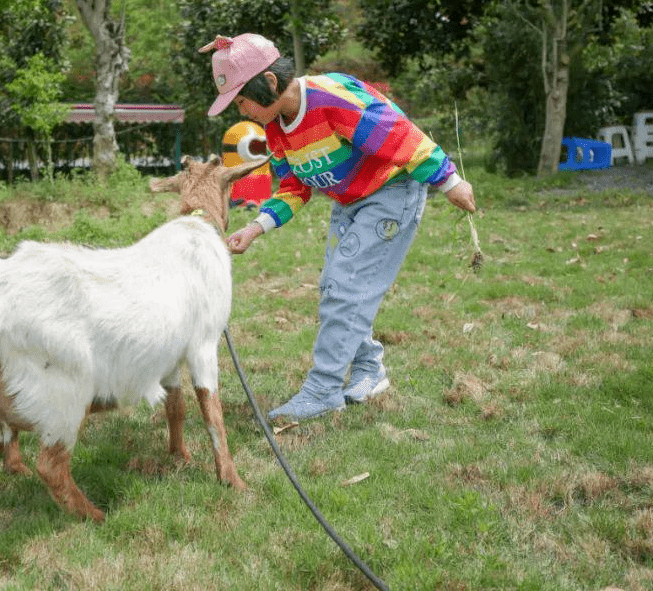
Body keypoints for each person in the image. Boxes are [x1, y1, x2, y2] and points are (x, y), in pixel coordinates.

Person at [199, 33, 477, 422]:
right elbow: (295, 186)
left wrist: (450, 182)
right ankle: (369, 369)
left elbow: (401, 136)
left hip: (390, 193)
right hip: (348, 202)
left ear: (271, 83)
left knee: (346, 287)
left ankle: (323, 389)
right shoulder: (276, 128)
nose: (242, 112)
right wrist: (256, 228)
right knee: (335, 287)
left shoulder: (331, 99)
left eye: (242, 100)